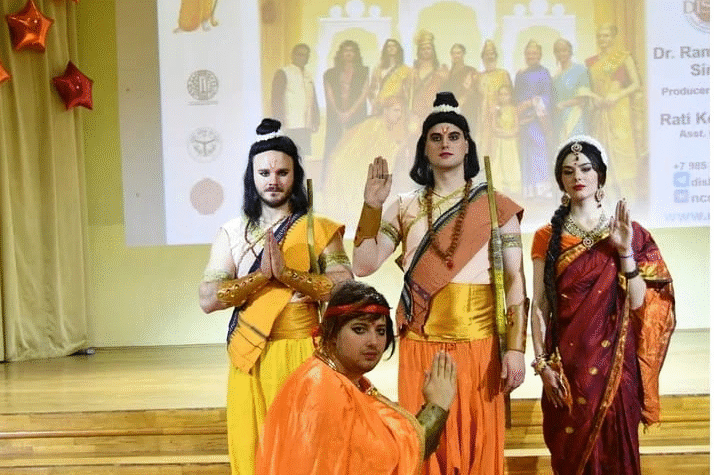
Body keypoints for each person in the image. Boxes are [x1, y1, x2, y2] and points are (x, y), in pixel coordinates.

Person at [352, 91, 528, 475]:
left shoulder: (496, 205)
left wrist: (516, 349)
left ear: (466, 146)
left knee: (478, 446)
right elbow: (363, 264)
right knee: (426, 446)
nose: (445, 142)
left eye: (453, 136)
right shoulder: (404, 206)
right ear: (424, 149)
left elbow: (516, 280)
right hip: (421, 345)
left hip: (479, 347)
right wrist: (372, 205)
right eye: (436, 137)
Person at [198, 118, 353, 475]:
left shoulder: (318, 228)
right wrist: (260, 277)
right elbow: (207, 298)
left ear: (295, 176)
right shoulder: (232, 231)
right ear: (251, 177)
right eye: (264, 172)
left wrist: (289, 276)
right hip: (251, 353)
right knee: (254, 448)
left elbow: (344, 287)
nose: (273, 180)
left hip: (305, 350)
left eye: (282, 172)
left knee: (307, 450)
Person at [529, 136, 675, 475]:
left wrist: (624, 250)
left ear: (600, 176)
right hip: (567, 366)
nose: (577, 176)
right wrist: (542, 364)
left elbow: (639, 302)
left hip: (616, 365)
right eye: (568, 171)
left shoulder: (629, 232)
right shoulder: (545, 236)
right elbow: (540, 306)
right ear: (560, 180)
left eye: (585, 169)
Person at [256, 280, 458, 475]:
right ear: (332, 334)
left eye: (380, 331)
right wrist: (437, 406)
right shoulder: (321, 389)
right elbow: (384, 461)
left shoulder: (338, 379)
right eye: (359, 329)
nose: (373, 342)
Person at [585, 24, 645, 201]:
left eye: (606, 36)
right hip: (600, 111)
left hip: (619, 110)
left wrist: (618, 95)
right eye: (600, 36)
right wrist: (594, 99)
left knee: (622, 150)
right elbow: (590, 87)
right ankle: (607, 196)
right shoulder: (591, 62)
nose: (603, 39)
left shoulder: (623, 57)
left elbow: (636, 84)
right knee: (602, 150)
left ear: (613, 37)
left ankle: (628, 196)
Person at [514, 39, 553, 198]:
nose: (531, 56)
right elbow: (516, 96)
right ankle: (529, 190)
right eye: (529, 53)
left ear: (540, 55)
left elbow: (548, 96)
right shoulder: (520, 74)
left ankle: (542, 190)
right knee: (525, 151)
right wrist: (519, 108)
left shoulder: (544, 73)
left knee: (539, 147)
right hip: (523, 119)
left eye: (534, 53)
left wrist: (531, 103)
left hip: (538, 119)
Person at [323, 40, 370, 165]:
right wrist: (339, 113)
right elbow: (329, 95)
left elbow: (364, 94)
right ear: (340, 53)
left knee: (356, 146)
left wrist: (350, 113)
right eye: (345, 50)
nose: (348, 53)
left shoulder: (364, 72)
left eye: (351, 51)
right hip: (336, 116)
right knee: (334, 146)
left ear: (356, 54)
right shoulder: (330, 73)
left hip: (357, 115)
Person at [270, 43, 320, 155]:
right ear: (293, 55)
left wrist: (315, 120)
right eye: (300, 54)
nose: (303, 58)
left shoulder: (308, 75)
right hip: (290, 124)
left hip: (306, 124)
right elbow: (276, 99)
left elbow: (313, 99)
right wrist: (279, 120)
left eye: (306, 55)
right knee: (289, 154)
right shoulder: (283, 73)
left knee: (303, 155)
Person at [475, 40, 512, 158]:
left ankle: (498, 170)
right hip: (484, 118)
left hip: (501, 117)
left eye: (491, 53)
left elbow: (510, 97)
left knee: (499, 148)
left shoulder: (503, 74)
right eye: (486, 54)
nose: (489, 56)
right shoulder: (479, 76)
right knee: (484, 148)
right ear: (483, 57)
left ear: (495, 56)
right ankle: (487, 170)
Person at [552, 38, 590, 144]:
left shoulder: (580, 70)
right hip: (559, 120)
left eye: (564, 50)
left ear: (570, 51)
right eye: (558, 51)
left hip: (575, 117)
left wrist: (562, 104)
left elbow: (582, 99)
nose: (561, 54)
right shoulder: (555, 76)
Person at [407, 30, 448, 125]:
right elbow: (408, 95)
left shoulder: (441, 72)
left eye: (428, 48)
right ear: (419, 51)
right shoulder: (412, 72)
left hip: (435, 114)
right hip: (415, 116)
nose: (426, 51)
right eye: (423, 49)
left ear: (433, 50)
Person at [491, 84, 521, 195]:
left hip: (511, 142)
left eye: (506, 94)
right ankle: (500, 187)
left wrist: (510, 133)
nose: (503, 97)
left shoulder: (514, 109)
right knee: (500, 163)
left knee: (511, 163)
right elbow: (494, 127)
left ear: (510, 96)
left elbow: (517, 128)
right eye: (501, 94)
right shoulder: (496, 110)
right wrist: (503, 134)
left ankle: (513, 188)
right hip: (500, 141)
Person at [369, 38, 411, 116]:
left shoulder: (406, 70)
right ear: (385, 50)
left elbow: (407, 92)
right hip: (379, 108)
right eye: (389, 46)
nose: (391, 48)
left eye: (394, 46)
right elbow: (372, 90)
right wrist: (375, 103)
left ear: (398, 49)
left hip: (396, 109)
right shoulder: (378, 70)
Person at [442, 43, 479, 127]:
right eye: (453, 53)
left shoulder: (470, 71)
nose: (456, 56)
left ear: (463, 54)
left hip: (467, 110)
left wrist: (462, 100)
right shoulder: (448, 74)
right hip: (451, 110)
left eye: (458, 53)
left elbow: (474, 90)